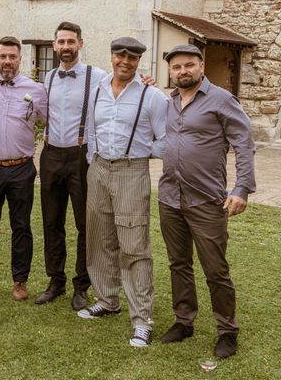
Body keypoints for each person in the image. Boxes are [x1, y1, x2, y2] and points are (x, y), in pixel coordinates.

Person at [158, 44, 256, 359]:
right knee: (179, 263)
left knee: (215, 269)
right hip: (170, 197)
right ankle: (184, 321)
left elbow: (244, 143)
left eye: (189, 65)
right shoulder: (170, 101)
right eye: (176, 67)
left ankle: (227, 331)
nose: (182, 71)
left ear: (201, 65)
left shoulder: (222, 100)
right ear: (170, 71)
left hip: (207, 201)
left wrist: (241, 188)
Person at [78, 37, 167, 349]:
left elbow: (166, 139)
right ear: (112, 56)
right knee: (100, 237)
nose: (125, 62)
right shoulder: (99, 88)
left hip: (132, 170)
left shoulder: (152, 95)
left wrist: (143, 151)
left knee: (134, 244)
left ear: (139, 61)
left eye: (132, 58)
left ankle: (142, 320)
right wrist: (93, 161)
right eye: (120, 56)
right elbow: (91, 128)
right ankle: (107, 299)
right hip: (99, 168)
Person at [36, 22, 107, 310]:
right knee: (52, 222)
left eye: (70, 41)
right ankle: (56, 280)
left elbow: (127, 86)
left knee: (84, 224)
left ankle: (82, 286)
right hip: (51, 155)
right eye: (61, 42)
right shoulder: (48, 78)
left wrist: (149, 82)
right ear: (54, 45)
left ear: (80, 43)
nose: (65, 46)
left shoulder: (99, 76)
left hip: (81, 156)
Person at [0, 36, 47, 301]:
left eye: (12, 57)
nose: (7, 62)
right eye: (3, 57)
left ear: (20, 59)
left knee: (21, 226)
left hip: (21, 168)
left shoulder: (36, 90)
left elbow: (48, 119)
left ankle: (20, 281)